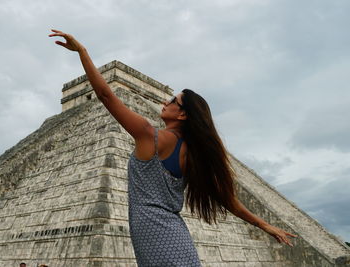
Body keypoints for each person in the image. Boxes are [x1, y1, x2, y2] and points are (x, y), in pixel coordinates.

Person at [49, 29, 297, 266]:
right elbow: (228, 201)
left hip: (152, 232)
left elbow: (105, 95)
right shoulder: (193, 154)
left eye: (173, 101)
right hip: (175, 233)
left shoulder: (150, 136)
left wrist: (82, 51)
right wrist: (264, 225)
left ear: (183, 115)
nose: (164, 101)